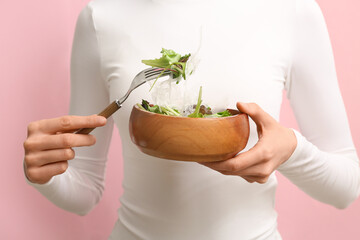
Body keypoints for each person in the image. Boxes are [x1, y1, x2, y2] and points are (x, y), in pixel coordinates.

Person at [23, 0, 360, 239]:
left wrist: (292, 149)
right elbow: (84, 191)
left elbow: (347, 187)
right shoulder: (102, 16)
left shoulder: (291, 11)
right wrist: (47, 175)